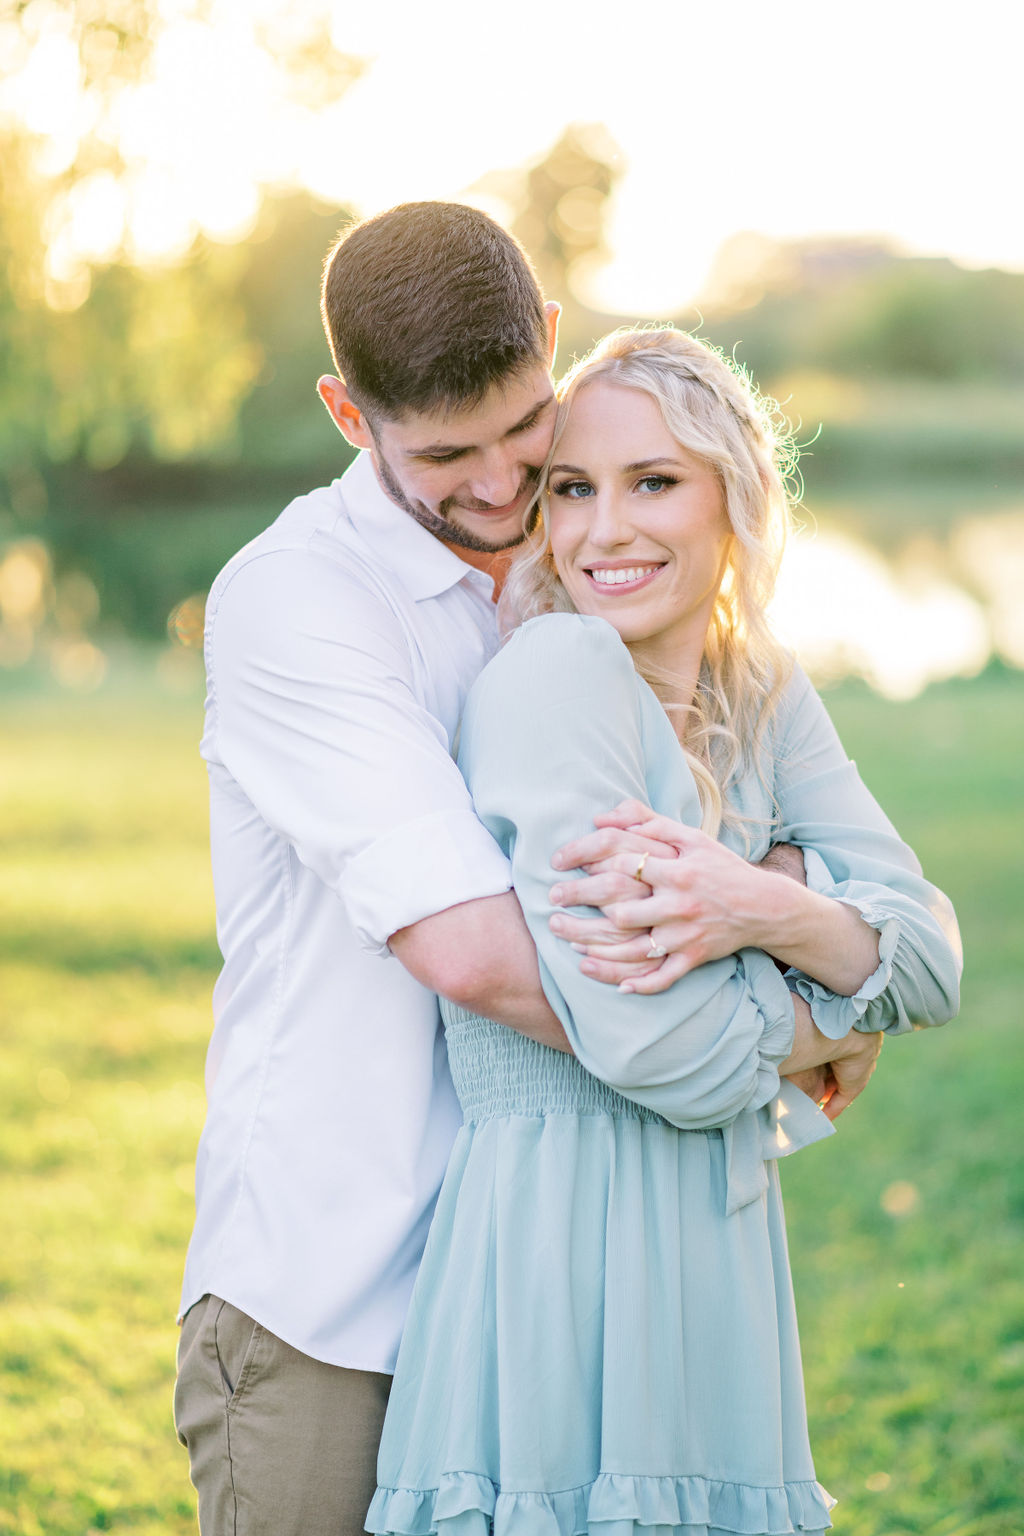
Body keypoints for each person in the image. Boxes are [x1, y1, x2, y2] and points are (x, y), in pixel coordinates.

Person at [172, 203, 879, 1535]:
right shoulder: (298, 603)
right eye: (446, 455)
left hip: (548, 1278)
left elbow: (732, 837)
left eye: (522, 430)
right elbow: (481, 953)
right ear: (346, 413)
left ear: (551, 345)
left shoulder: (578, 578)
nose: (501, 487)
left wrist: (801, 919)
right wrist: (794, 1024)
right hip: (342, 1299)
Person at [367, 328, 962, 1536]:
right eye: (572, 489)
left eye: (653, 482)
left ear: (733, 497)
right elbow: (666, 1053)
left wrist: (765, 905)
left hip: (716, 1258)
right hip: (557, 1253)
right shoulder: (555, 677)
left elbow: (935, 958)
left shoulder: (765, 690)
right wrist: (831, 1006)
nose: (602, 530)